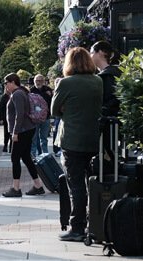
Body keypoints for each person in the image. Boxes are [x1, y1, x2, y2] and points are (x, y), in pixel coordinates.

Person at [52, 47, 103, 242]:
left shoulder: (66, 83)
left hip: (72, 141)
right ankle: (94, 224)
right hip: (93, 140)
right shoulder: (98, 81)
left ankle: (77, 228)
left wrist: (67, 109)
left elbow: (54, 111)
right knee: (93, 184)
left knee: (76, 187)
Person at [2, 73, 45, 198]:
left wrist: (15, 132)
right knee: (26, 157)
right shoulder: (21, 92)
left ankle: (16, 188)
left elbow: (19, 114)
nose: (6, 86)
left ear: (12, 82)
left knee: (15, 158)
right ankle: (38, 185)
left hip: (22, 131)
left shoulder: (17, 94)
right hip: (26, 129)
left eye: (6, 83)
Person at [91, 41, 121, 167]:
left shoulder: (108, 75)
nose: (90, 56)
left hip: (108, 128)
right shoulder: (114, 73)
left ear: (101, 53)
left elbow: (110, 101)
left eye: (92, 52)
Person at [30, 74, 54, 156]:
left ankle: (45, 154)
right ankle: (33, 155)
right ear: (34, 81)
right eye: (37, 80)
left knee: (44, 138)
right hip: (34, 119)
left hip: (45, 118)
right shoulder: (31, 91)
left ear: (43, 81)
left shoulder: (48, 90)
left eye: (40, 80)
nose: (38, 82)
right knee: (34, 138)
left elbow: (52, 103)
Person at [0, 86, 12, 153]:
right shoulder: (4, 97)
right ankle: (5, 145)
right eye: (6, 89)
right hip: (6, 118)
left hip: (12, 118)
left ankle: (11, 147)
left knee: (12, 133)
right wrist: (1, 119)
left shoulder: (13, 95)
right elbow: (1, 108)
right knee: (6, 133)